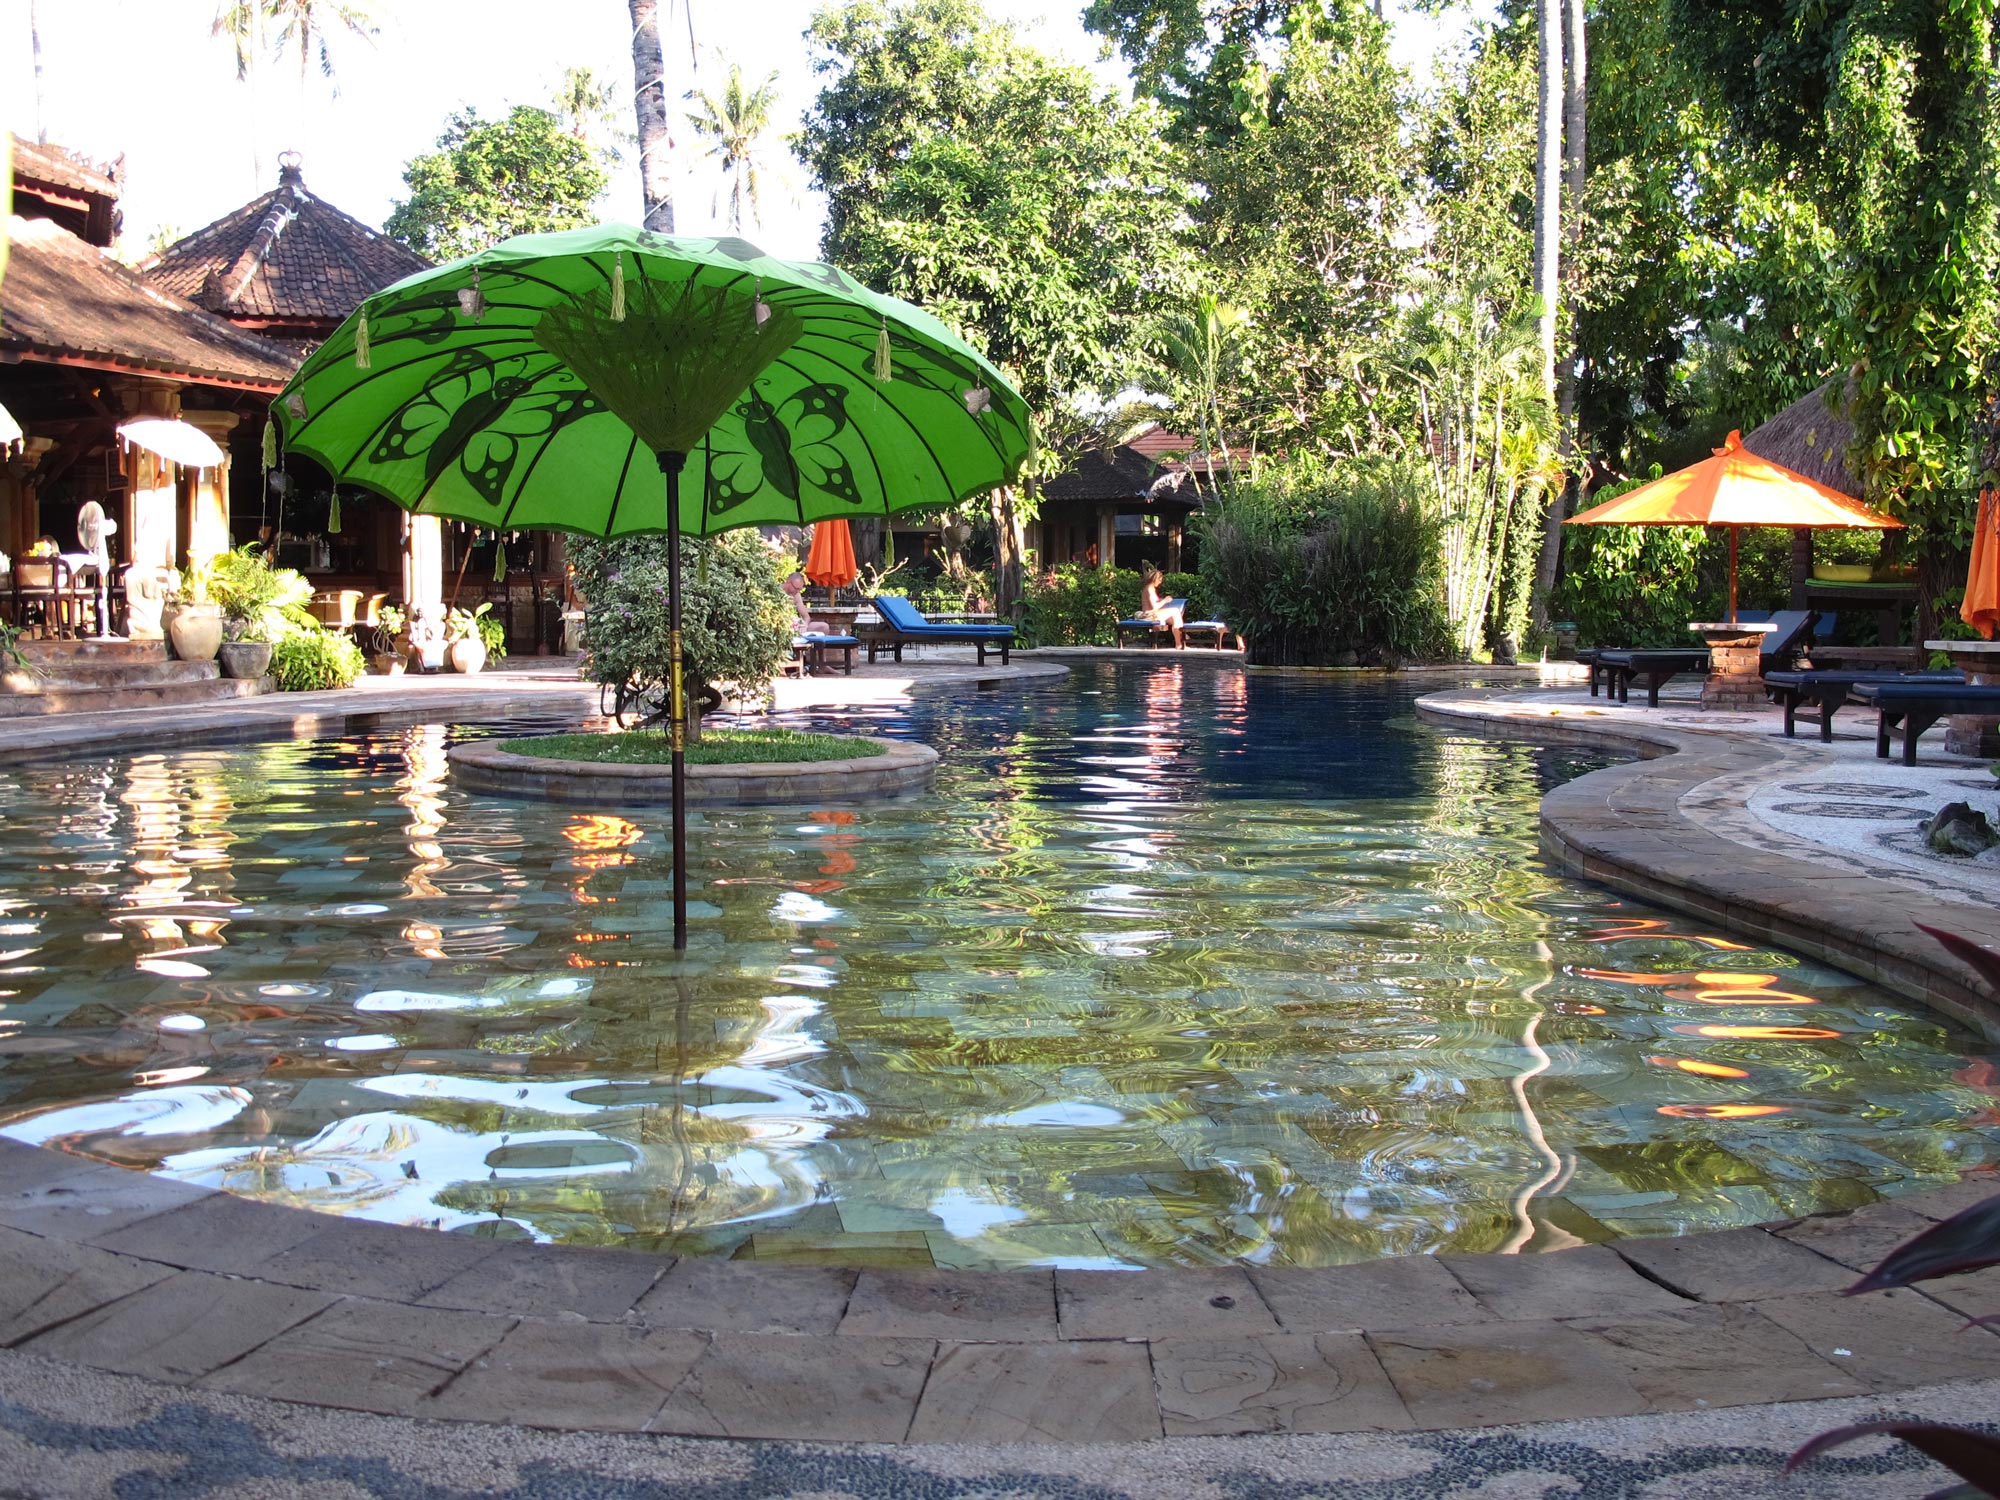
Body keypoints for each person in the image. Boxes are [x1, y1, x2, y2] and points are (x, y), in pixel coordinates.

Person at [1137, 561, 1186, 648]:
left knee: (1175, 618)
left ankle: (1182, 640)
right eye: (1159, 580)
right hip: (1149, 615)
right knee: (1175, 611)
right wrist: (1165, 601)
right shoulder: (1149, 589)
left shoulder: (1150, 588)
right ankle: (1180, 642)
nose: (1160, 583)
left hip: (1152, 614)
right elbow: (1154, 607)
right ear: (1155, 579)